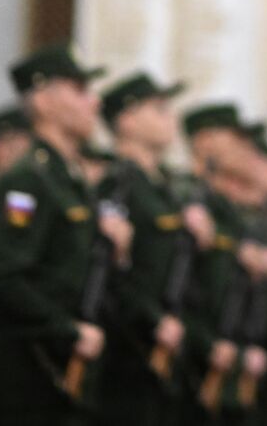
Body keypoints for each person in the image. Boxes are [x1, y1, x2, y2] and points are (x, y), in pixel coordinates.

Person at [0, 43, 131, 426]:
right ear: (42, 101)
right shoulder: (28, 179)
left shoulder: (70, 179)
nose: (93, 103)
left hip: (65, 369)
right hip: (30, 371)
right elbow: (3, 280)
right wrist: (68, 330)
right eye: (79, 91)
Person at [93, 70, 193, 426]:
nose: (171, 119)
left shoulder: (164, 188)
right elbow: (111, 272)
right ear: (128, 120)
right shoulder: (117, 184)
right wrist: (152, 320)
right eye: (159, 109)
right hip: (128, 347)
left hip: (162, 346)